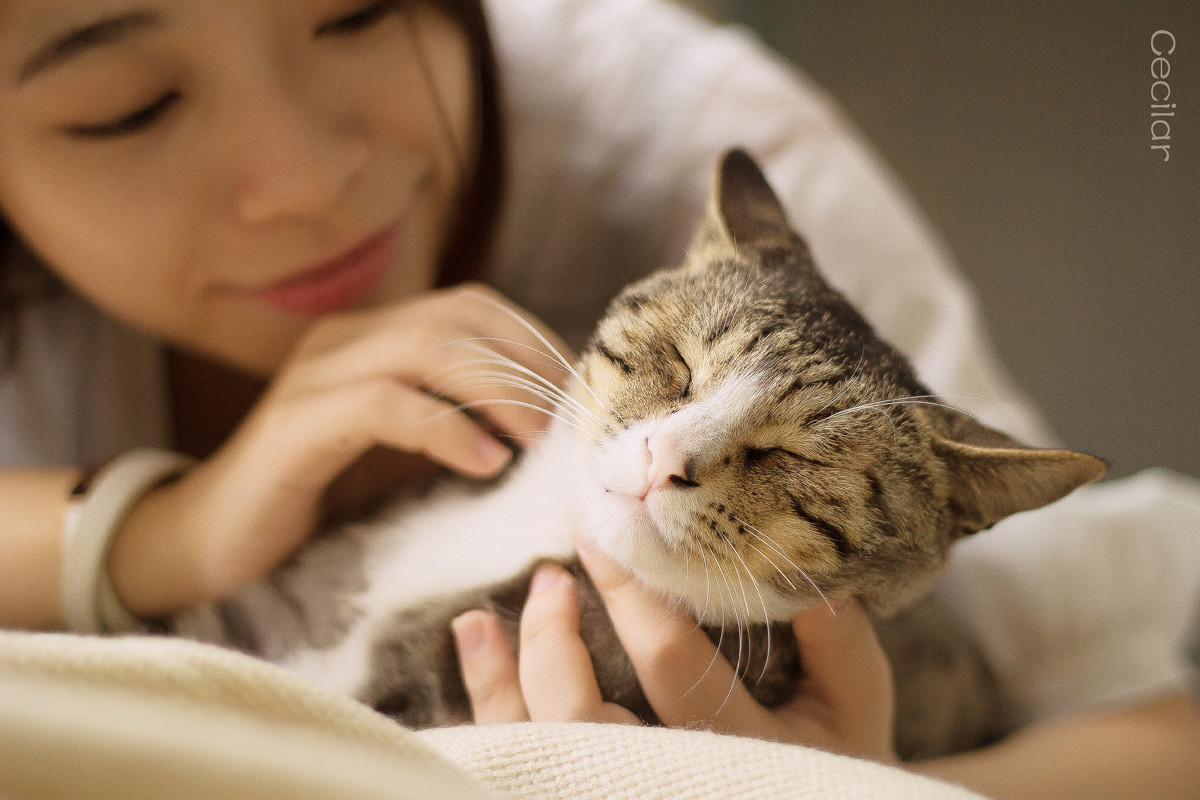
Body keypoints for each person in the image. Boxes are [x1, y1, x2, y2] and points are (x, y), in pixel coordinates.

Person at [0, 1, 1196, 797]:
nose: (306, 180)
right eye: (127, 105)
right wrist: (153, 529)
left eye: (361, 6)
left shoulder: (675, 132)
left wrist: (850, 780)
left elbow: (1166, 733)